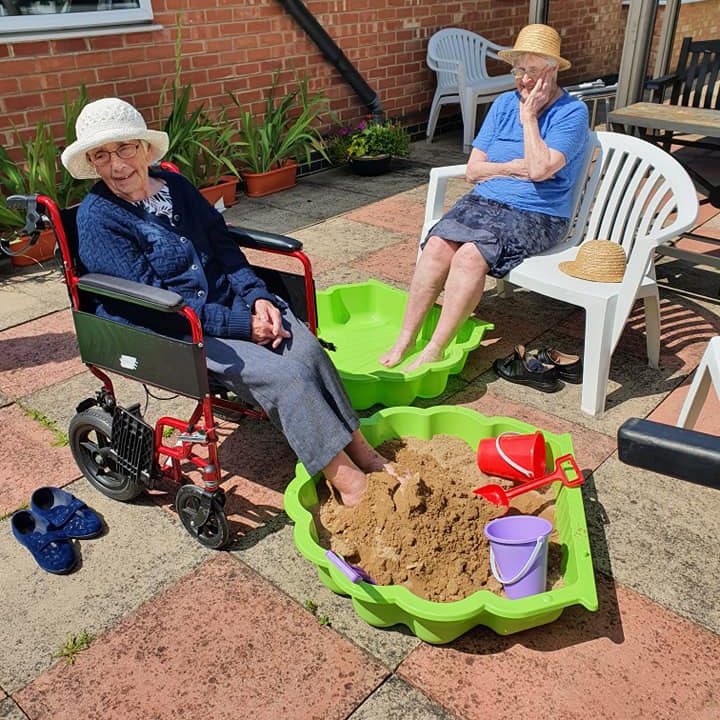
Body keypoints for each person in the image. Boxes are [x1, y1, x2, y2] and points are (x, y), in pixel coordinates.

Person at [61, 97, 391, 507]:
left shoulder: (176, 186)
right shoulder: (100, 218)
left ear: (146, 149)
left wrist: (256, 297)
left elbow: (223, 245)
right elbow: (154, 304)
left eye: (125, 148)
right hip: (175, 326)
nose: (116, 164)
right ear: (92, 163)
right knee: (285, 378)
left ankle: (360, 448)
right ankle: (347, 482)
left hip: (232, 303)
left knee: (306, 351)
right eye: (101, 155)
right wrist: (242, 326)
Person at [380, 24, 589, 372]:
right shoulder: (504, 103)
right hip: (485, 201)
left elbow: (538, 171)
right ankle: (405, 337)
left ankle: (435, 347)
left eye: (532, 71)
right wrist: (509, 168)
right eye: (518, 70)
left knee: (470, 257)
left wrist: (529, 120)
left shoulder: (571, 113)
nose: (522, 79)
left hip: (538, 213)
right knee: (436, 246)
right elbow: (473, 171)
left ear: (552, 71)